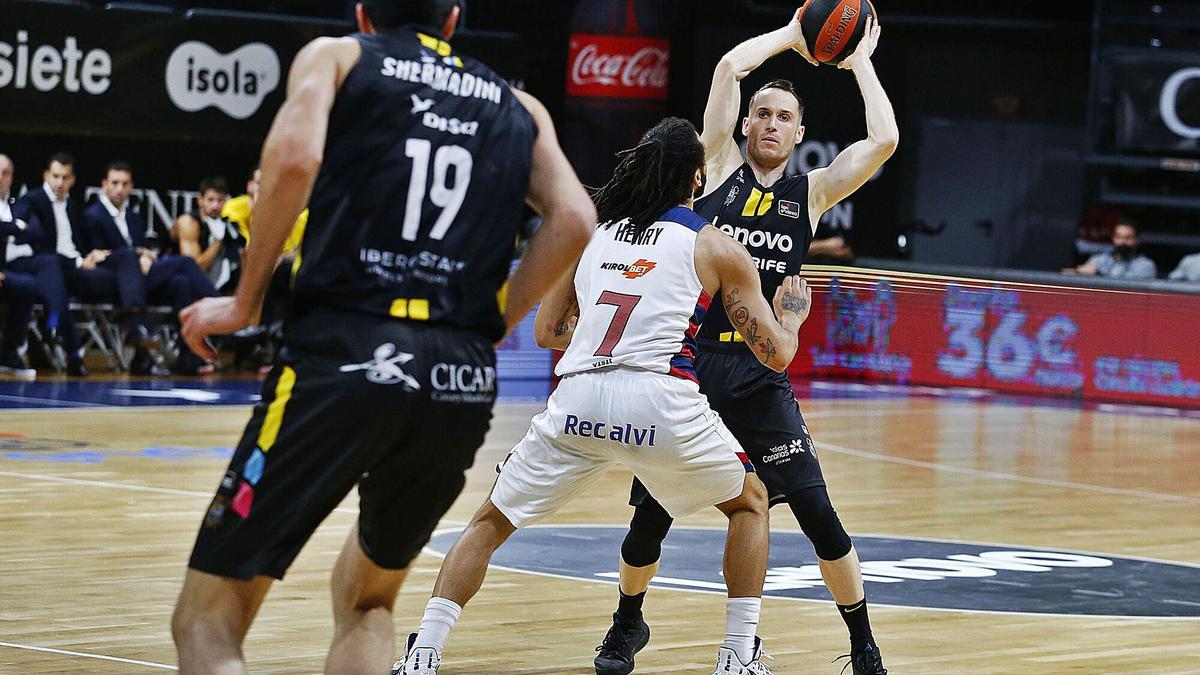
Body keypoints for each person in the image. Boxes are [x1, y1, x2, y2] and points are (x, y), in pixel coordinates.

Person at [169, 0, 594, 672]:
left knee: (208, 616)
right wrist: (488, 328)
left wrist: (245, 299)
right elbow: (574, 217)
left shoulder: (337, 57)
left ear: (363, 14)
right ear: (454, 20)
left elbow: (293, 159)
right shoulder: (522, 108)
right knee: (368, 601)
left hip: (346, 348)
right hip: (456, 377)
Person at [396, 117, 811, 675]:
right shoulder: (716, 245)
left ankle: (422, 653)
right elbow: (777, 356)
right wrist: (791, 319)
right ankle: (738, 656)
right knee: (750, 502)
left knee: (489, 522)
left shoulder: (593, 234)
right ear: (697, 179)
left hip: (581, 398)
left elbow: (547, 332)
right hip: (660, 400)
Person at [593, 12, 898, 675]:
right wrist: (795, 32)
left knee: (818, 512)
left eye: (782, 116)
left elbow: (884, 139)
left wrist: (859, 60)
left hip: (760, 374)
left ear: (798, 134)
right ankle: (625, 624)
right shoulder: (718, 163)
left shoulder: (810, 193)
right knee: (652, 516)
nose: (768, 122)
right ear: (746, 123)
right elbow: (731, 66)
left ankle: (864, 645)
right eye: (761, 111)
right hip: (693, 367)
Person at [15, 152, 161, 376]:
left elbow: (80, 245)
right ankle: (74, 340)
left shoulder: (73, 207)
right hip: (53, 270)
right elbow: (36, 244)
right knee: (126, 274)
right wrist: (79, 260)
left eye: (65, 177)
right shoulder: (33, 201)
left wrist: (92, 256)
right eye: (55, 176)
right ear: (46, 176)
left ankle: (135, 327)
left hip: (79, 270)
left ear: (73, 180)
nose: (59, 183)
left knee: (128, 263)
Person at [84, 161, 220, 374]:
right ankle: (221, 309)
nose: (120, 189)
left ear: (131, 187)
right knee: (185, 262)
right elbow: (95, 255)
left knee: (180, 283)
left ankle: (187, 356)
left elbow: (142, 247)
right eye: (115, 183)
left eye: (125, 184)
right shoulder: (93, 216)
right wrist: (137, 255)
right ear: (104, 185)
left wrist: (146, 255)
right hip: (115, 280)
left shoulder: (133, 216)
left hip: (141, 279)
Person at [0, 153, 40, 379]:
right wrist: (15, 226)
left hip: (6, 272)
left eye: (5, 173)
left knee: (26, 286)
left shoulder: (15, 204)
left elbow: (34, 232)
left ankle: (9, 353)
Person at [173, 177, 246, 294]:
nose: (215, 206)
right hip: (182, 283)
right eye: (210, 200)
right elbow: (194, 269)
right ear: (200, 200)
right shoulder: (188, 223)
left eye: (220, 200)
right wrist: (218, 241)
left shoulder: (230, 226)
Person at [1064, 219, 1157, 280]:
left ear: (1137, 240)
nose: (1123, 242)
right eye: (1119, 237)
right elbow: (1067, 275)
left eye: (1128, 238)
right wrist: (1077, 271)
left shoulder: (1145, 265)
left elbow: (1127, 288)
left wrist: (1098, 274)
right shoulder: (1099, 259)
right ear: (1113, 238)